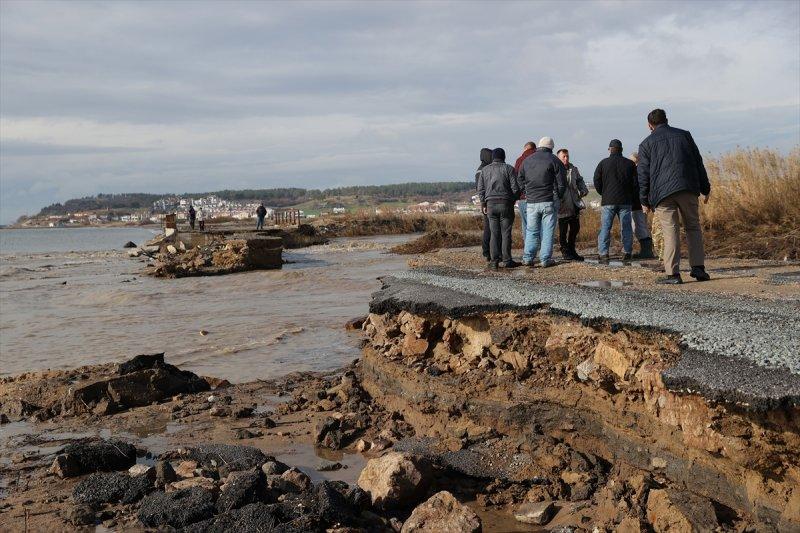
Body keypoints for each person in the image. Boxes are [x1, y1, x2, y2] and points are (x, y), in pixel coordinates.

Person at [637, 108, 711, 284]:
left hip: (662, 194)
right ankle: (698, 268)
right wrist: (705, 188)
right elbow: (698, 162)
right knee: (693, 227)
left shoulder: (646, 144)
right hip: (687, 187)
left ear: (649, 125)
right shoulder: (685, 135)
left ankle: (673, 274)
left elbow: (643, 174)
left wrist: (644, 200)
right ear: (667, 120)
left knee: (670, 232)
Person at [518, 137, 566, 268]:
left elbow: (519, 179)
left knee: (531, 230)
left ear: (539, 146)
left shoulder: (527, 160)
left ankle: (528, 258)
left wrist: (526, 192)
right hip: (548, 200)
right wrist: (559, 196)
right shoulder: (554, 160)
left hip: (531, 201)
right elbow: (562, 183)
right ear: (551, 147)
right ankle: (545, 259)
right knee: (548, 231)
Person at [477, 148, 520, 269]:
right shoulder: (509, 169)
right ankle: (507, 260)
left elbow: (480, 189)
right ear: (504, 157)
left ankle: (494, 261)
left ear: (493, 157)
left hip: (490, 204)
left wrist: (483, 203)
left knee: (494, 233)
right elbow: (515, 188)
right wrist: (512, 200)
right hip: (506, 203)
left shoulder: (485, 170)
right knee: (506, 233)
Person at [556, 148, 588, 261]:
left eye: (567, 156)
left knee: (575, 228)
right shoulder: (555, 169)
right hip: (562, 204)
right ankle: (565, 251)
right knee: (563, 230)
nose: (566, 159)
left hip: (574, 203)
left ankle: (572, 249)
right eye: (563, 157)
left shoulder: (573, 169)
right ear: (558, 158)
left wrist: (583, 189)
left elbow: (579, 180)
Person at [628, 152, 656, 259]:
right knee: (641, 226)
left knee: (639, 227)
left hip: (638, 203)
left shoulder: (637, 171)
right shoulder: (643, 170)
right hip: (641, 203)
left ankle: (647, 252)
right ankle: (646, 251)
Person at [514, 141, 536, 247]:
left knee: (526, 223)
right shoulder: (539, 159)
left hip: (523, 197)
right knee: (538, 223)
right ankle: (538, 247)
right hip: (538, 196)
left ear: (525, 149)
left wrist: (518, 194)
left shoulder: (519, 160)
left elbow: (515, 178)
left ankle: (528, 247)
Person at [475, 148, 493, 262]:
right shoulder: (486, 169)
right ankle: (488, 252)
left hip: (485, 202)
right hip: (488, 201)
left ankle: (487, 252)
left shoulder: (479, 169)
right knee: (490, 228)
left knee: (488, 228)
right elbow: (482, 188)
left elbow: (478, 189)